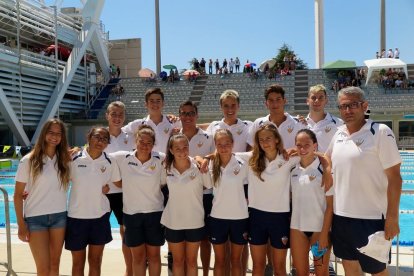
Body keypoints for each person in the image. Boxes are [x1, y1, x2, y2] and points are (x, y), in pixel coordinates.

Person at [326, 86, 402, 275]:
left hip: (372, 218)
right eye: (343, 106)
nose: (348, 111)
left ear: (364, 106)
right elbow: (327, 159)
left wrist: (392, 218)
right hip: (341, 216)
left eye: (353, 105)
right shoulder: (339, 134)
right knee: (349, 267)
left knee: (377, 271)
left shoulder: (380, 132)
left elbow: (395, 179)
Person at [14, 118, 71, 276]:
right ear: (44, 134)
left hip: (59, 217)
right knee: (43, 268)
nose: (54, 137)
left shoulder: (65, 161)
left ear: (62, 137)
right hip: (36, 218)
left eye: (58, 134)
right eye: (51, 132)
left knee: (55, 265)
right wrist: (21, 225)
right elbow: (18, 195)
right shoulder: (28, 161)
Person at [65, 127, 121, 276]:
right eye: (97, 137)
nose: (100, 141)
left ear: (108, 143)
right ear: (89, 137)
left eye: (104, 139)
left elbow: (119, 183)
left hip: (100, 217)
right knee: (78, 263)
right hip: (76, 217)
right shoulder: (74, 159)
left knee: (95, 261)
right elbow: (58, 181)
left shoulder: (110, 161)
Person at [112, 125, 166, 276]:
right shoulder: (122, 157)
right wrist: (78, 149)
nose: (145, 146)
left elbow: (181, 157)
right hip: (132, 215)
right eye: (142, 142)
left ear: (153, 144)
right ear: (135, 141)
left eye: (149, 143)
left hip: (154, 214)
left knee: (154, 257)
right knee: (138, 258)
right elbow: (98, 154)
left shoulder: (160, 158)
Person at [162, 134, 212, 276]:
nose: (182, 151)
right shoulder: (166, 168)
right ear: (171, 150)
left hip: (194, 221)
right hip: (173, 222)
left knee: (191, 261)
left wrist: (202, 162)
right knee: (178, 261)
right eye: (177, 148)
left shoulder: (198, 167)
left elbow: (208, 185)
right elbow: (156, 184)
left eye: (185, 147)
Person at [177, 101, 215, 276]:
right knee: (180, 239)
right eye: (184, 113)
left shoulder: (208, 138)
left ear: (196, 116)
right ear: (179, 116)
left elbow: (214, 159)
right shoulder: (174, 137)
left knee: (205, 239)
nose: (187, 117)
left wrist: (202, 158)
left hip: (204, 194)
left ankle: (205, 273)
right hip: (180, 196)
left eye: (191, 113)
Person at [290, 129, 333, 276]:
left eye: (307, 145)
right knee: (301, 273)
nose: (302, 149)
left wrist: (324, 234)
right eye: (299, 145)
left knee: (321, 273)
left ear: (315, 145)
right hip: (297, 228)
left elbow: (330, 206)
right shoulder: (293, 170)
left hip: (319, 230)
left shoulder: (325, 171)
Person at [206, 129, 249, 276]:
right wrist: (204, 158)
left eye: (227, 143)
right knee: (219, 260)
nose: (224, 147)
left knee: (236, 260)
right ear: (215, 145)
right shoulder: (211, 163)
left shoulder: (244, 162)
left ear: (233, 144)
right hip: (218, 217)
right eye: (220, 144)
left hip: (240, 217)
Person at [104, 101, 136, 276]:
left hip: (125, 193)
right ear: (107, 116)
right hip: (105, 193)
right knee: (97, 236)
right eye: (113, 114)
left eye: (120, 115)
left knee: (127, 234)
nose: (117, 118)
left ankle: (129, 270)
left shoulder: (131, 137)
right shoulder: (100, 136)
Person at [122, 87, 180, 153]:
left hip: (167, 163)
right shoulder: (138, 124)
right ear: (146, 104)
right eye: (151, 101)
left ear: (163, 103)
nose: (155, 104)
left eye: (158, 101)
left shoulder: (173, 122)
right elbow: (118, 132)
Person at [248, 84, 306, 150]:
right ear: (266, 104)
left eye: (278, 99)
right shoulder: (258, 123)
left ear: (284, 101)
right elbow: (251, 148)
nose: (275, 104)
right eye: (271, 100)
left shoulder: (299, 123)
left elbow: (308, 146)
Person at [306, 84, 343, 152]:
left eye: (321, 98)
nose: (317, 100)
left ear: (326, 101)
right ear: (307, 101)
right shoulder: (300, 124)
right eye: (313, 98)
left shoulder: (339, 124)